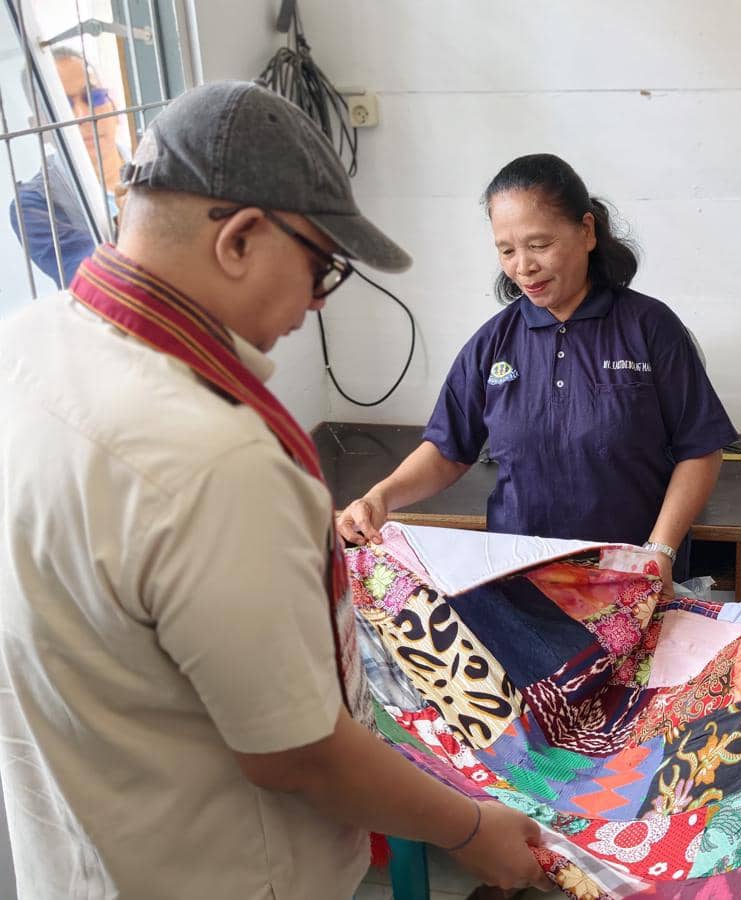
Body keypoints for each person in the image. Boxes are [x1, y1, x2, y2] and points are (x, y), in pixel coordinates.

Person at [0, 81, 547, 898]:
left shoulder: (28, 345)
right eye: (322, 266)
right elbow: (297, 752)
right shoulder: (212, 455)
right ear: (242, 240)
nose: (314, 304)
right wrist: (470, 828)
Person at [337, 153, 737, 590]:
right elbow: (448, 450)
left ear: (586, 231)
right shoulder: (494, 342)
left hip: (631, 578)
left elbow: (700, 449)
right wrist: (380, 497)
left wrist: (659, 550)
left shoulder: (649, 327)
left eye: (539, 245)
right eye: (506, 250)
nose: (522, 266)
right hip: (521, 579)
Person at [8, 46, 126, 287]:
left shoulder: (160, 166)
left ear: (114, 107)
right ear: (39, 127)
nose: (82, 116)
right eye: (59, 106)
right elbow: (99, 279)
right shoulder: (34, 204)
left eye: (93, 97)